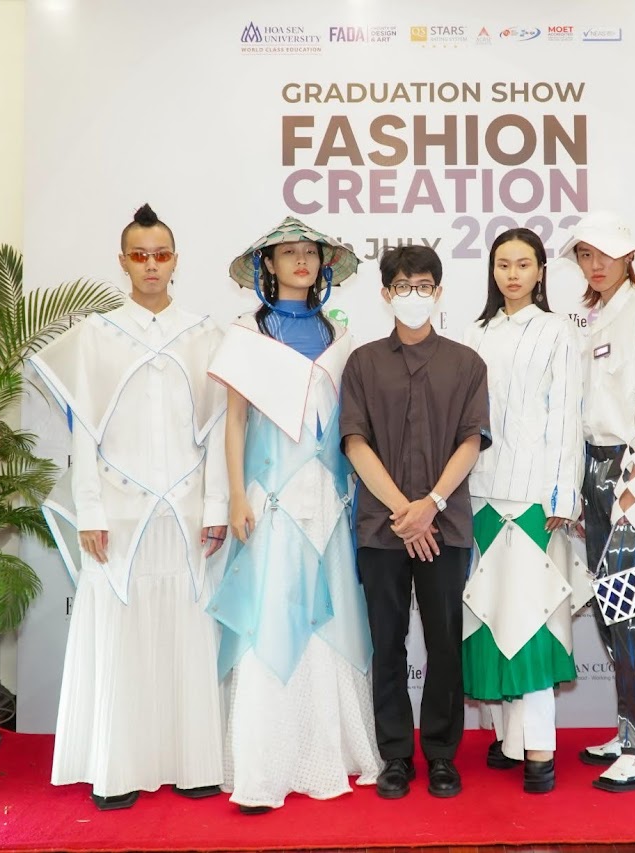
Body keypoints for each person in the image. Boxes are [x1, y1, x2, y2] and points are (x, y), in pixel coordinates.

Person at [36, 204, 228, 809]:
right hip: (119, 512)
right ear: (122, 262)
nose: (151, 265)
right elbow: (85, 434)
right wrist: (90, 511)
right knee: (122, 635)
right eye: (140, 255)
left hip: (187, 508)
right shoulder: (96, 335)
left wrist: (216, 503)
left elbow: (219, 429)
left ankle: (194, 763)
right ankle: (118, 769)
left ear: (176, 261)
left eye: (161, 254)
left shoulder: (205, 334)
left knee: (187, 632)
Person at [207, 217, 381, 813]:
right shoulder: (247, 333)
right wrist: (235, 495)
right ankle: (265, 765)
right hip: (268, 495)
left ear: (324, 265)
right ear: (269, 265)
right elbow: (234, 422)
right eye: (289, 253)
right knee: (271, 612)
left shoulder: (340, 336)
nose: (301, 261)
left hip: (329, 497)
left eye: (310, 252)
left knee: (331, 616)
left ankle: (331, 752)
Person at [340, 244, 490, 800]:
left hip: (445, 528)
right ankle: (396, 755)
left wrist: (431, 504)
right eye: (403, 286)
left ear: (439, 292)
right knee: (388, 642)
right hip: (381, 530)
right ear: (386, 294)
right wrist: (405, 511)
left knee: (445, 642)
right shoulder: (363, 363)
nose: (413, 296)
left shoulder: (466, 363)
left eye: (424, 286)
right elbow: (354, 442)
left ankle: (443, 755)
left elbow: (471, 441)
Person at [460, 228, 584, 794]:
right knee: (491, 615)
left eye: (523, 264)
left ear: (540, 272)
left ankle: (539, 746)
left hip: (535, 496)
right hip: (479, 492)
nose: (512, 274)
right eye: (503, 264)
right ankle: (508, 737)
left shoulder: (558, 331)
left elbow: (566, 417)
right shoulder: (474, 334)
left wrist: (563, 495)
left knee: (531, 618)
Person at [560, 212, 635, 792]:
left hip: (634, 469)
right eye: (585, 255)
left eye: (605, 253)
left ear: (630, 255)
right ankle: (631, 726)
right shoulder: (591, 316)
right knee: (611, 612)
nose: (595, 264)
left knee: (630, 611)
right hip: (594, 469)